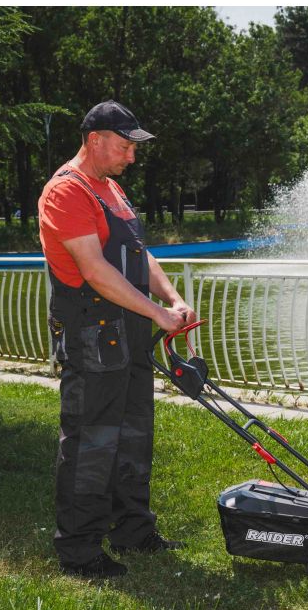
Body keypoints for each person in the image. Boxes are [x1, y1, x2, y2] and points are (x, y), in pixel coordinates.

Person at [38, 101, 196, 579]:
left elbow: (140, 256)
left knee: (133, 434)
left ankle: (132, 529)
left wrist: (172, 298)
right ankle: (79, 551)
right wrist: (157, 314)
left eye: (133, 148)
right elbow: (95, 270)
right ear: (95, 140)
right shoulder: (67, 192)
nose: (131, 157)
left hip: (129, 330)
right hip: (92, 332)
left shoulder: (112, 189)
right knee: (92, 440)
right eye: (125, 146)